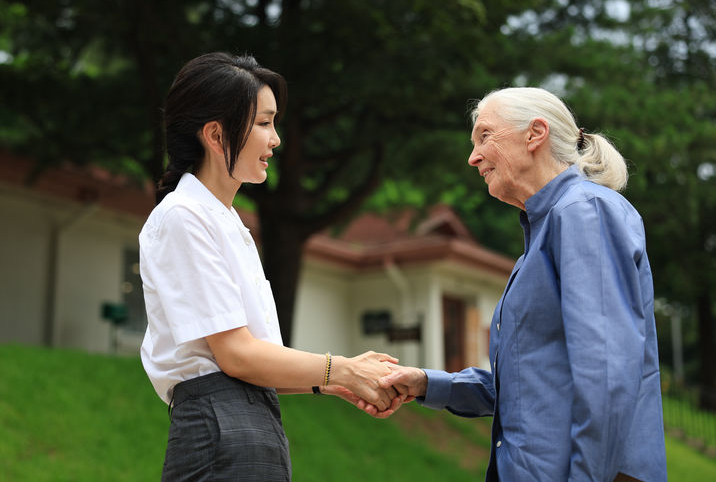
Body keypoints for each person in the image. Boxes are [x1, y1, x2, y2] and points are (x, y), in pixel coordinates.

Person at [377, 87, 667, 482]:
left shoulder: (583, 211)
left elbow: (606, 375)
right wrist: (428, 383)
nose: (473, 156)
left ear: (535, 134)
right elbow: (524, 386)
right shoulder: (547, 231)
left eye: (484, 136)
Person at [139, 52, 399, 482]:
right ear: (216, 134)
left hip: (248, 426)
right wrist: (344, 369)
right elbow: (235, 354)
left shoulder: (225, 222)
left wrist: (337, 381)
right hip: (220, 429)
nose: (276, 139)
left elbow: (251, 358)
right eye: (264, 123)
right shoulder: (183, 216)